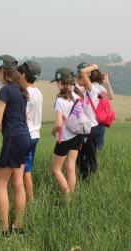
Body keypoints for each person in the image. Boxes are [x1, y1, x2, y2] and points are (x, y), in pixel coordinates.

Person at [0, 55, 31, 235]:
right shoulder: (21, 88)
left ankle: (4, 228)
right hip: (25, 137)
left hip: (13, 138)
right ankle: (18, 225)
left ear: (2, 71)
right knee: (18, 182)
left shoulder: (6, 90)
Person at [74, 63, 111, 179]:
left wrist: (95, 66)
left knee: (90, 156)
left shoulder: (92, 91)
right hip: (84, 129)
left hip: (91, 129)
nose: (79, 79)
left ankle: (93, 179)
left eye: (80, 77)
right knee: (80, 157)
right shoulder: (85, 92)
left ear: (87, 79)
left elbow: (84, 72)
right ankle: (85, 178)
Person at [50, 68, 82, 196]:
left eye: (57, 82)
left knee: (56, 169)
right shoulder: (77, 97)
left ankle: (68, 196)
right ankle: (72, 195)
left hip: (64, 138)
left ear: (61, 83)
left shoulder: (60, 100)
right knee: (71, 166)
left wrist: (52, 132)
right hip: (76, 135)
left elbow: (58, 123)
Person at [17, 61, 43, 202]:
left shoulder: (25, 93)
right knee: (27, 168)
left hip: (26, 134)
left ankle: (30, 199)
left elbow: (23, 115)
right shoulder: (38, 91)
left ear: (24, 75)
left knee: (26, 171)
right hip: (36, 133)